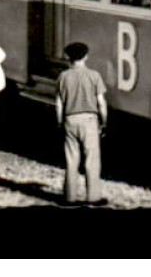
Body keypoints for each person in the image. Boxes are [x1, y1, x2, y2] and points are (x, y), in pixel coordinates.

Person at [55, 41, 108, 206]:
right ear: (86, 56)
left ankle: (69, 198)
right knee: (92, 159)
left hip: (70, 119)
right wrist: (104, 121)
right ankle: (93, 197)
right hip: (89, 120)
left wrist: (59, 122)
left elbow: (59, 103)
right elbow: (101, 102)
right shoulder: (94, 75)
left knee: (71, 160)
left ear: (67, 57)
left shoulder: (63, 76)